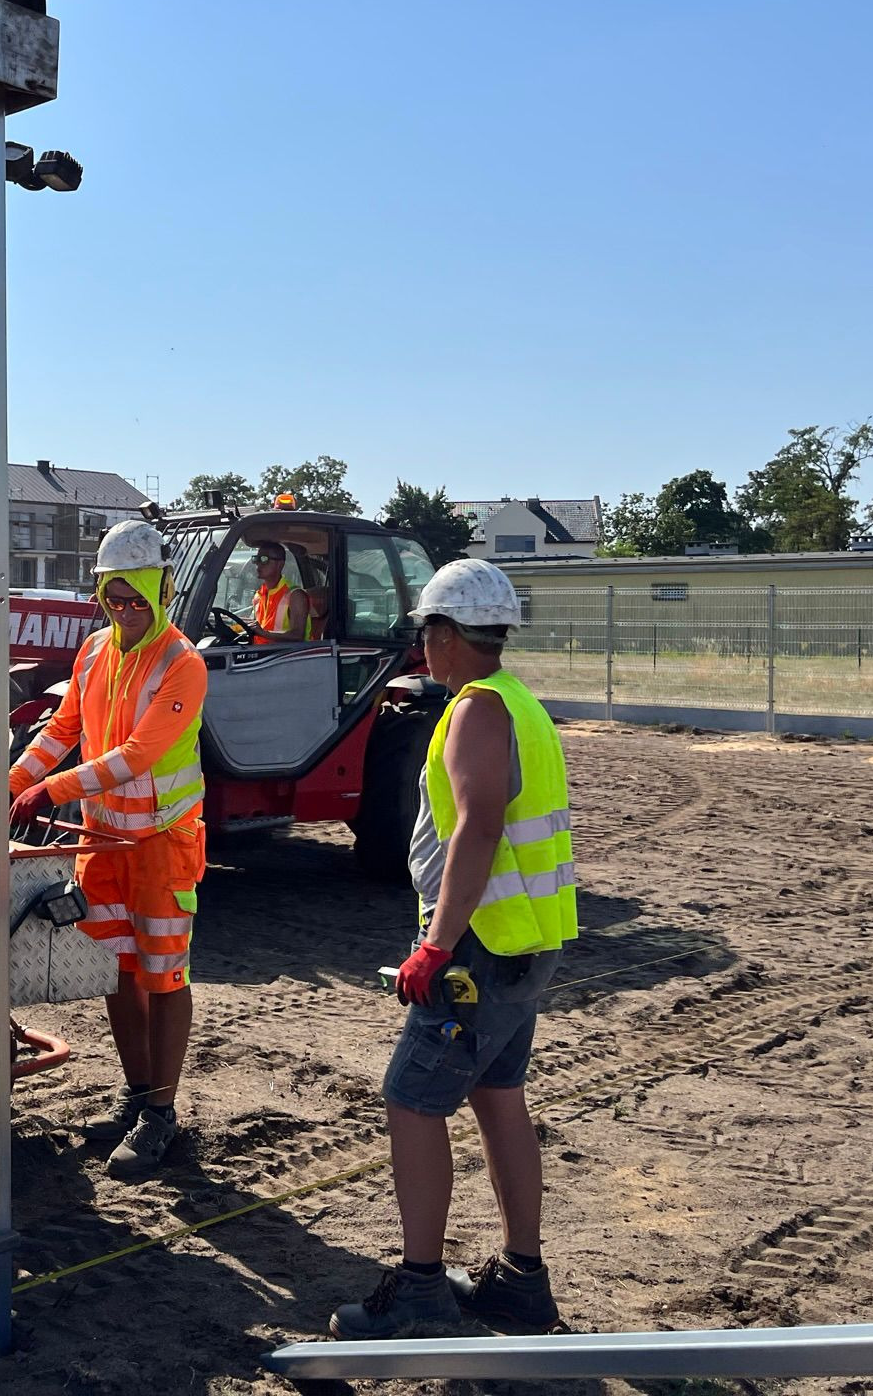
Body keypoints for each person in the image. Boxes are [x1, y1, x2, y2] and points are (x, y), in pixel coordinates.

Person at [332, 557, 577, 1337]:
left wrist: (436, 946)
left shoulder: (476, 711)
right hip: (525, 946)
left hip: (476, 950)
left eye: (425, 634)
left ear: (444, 633)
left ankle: (420, 1290)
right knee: (500, 1098)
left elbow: (478, 826)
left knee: (411, 1099)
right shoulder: (521, 703)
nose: (422, 651)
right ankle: (521, 1282)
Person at [10, 519, 208, 1176]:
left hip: (161, 845)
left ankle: (161, 1115)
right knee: (117, 972)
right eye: (115, 598)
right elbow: (62, 728)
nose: (125, 610)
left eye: (137, 598)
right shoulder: (94, 651)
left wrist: (50, 791)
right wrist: (7, 784)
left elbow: (137, 755)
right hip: (104, 843)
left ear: (161, 589)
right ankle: (137, 1096)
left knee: (162, 975)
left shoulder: (184, 664)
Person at [249, 540, 312, 642]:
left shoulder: (295, 595)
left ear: (280, 564)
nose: (258, 564)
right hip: (259, 654)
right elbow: (257, 627)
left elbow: (298, 635)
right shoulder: (259, 595)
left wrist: (264, 633)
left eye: (264, 559)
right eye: (256, 559)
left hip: (285, 656)